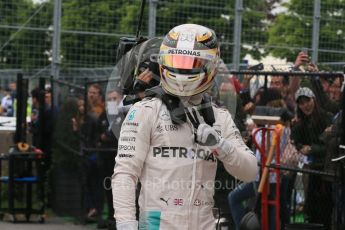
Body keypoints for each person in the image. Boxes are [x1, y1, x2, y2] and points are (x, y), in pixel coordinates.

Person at [111, 24, 258, 230]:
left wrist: (220, 146)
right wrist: (126, 224)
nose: (182, 69)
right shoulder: (144, 111)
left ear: (211, 65)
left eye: (192, 62)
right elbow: (125, 174)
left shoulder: (220, 117)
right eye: (176, 61)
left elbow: (250, 172)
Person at [291, 87, 333, 229]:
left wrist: (311, 149)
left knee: (326, 204)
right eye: (301, 103)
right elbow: (295, 142)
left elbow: (329, 145)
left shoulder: (326, 117)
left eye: (307, 101)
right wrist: (301, 147)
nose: (305, 105)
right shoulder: (299, 122)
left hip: (326, 167)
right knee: (311, 204)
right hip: (310, 168)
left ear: (313, 99)